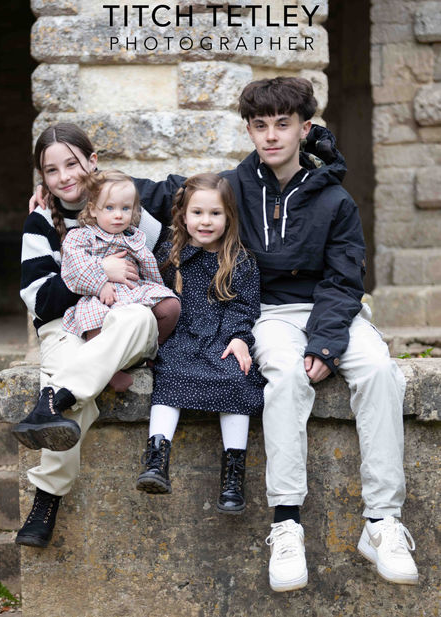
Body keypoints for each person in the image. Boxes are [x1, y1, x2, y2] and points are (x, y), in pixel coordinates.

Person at [130, 77, 418, 589]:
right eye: (260, 125)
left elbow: (344, 280)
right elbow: (157, 192)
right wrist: (79, 185)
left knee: (380, 372)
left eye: (283, 124)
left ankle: (382, 522)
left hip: (333, 312)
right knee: (284, 376)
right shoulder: (233, 188)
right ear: (249, 129)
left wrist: (326, 343)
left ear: (304, 129)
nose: (270, 135)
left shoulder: (335, 200)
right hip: (270, 315)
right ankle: (286, 524)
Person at [13, 123, 163, 548]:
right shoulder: (40, 222)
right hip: (65, 326)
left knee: (139, 319)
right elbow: (40, 301)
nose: (64, 177)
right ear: (43, 178)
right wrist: (100, 273)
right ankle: (47, 498)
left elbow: (183, 213)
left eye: (72, 164)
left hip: (122, 326)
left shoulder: (125, 205)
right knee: (66, 367)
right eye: (51, 170)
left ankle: (52, 399)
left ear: (92, 161)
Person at [135, 173, 265, 514]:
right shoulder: (170, 254)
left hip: (221, 338)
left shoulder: (240, 260)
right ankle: (156, 458)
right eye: (197, 213)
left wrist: (239, 338)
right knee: (169, 373)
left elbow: (244, 307)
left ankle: (233, 473)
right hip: (181, 338)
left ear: (229, 217)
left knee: (237, 376)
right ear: (183, 215)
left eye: (215, 214)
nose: (205, 221)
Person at [60, 169, 180, 390]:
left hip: (133, 291)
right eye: (109, 208)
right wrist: (100, 283)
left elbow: (149, 268)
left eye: (125, 208)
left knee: (171, 306)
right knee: (95, 320)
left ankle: (155, 350)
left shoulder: (135, 236)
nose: (118, 215)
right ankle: (109, 369)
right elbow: (74, 265)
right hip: (102, 296)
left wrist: (155, 290)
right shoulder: (81, 236)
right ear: (93, 209)